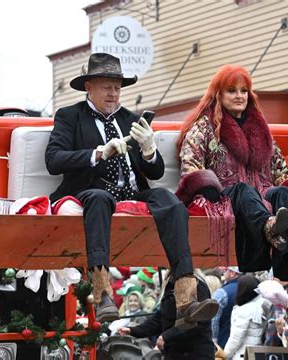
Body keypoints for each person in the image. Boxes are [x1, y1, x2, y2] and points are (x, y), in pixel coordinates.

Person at [45, 52, 218, 325]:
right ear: (89, 87)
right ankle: (102, 295)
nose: (114, 93)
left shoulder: (131, 119)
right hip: (92, 189)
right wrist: (99, 153)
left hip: (133, 191)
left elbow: (156, 172)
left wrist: (149, 151)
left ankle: (186, 296)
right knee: (99, 199)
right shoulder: (70, 116)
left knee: (170, 201)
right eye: (106, 87)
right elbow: (54, 160)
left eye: (117, 87)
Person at [176, 64, 288, 281]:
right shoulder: (203, 128)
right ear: (218, 94)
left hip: (261, 194)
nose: (239, 96)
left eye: (244, 90)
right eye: (232, 90)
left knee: (281, 194)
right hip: (223, 197)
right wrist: (206, 189)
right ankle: (269, 226)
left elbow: (280, 171)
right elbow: (190, 169)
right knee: (244, 190)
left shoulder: (261, 129)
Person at [117, 270, 216, 359]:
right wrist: (133, 330)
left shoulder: (197, 284)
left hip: (196, 353)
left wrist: (167, 336)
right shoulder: (171, 283)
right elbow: (160, 318)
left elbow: (199, 321)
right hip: (175, 353)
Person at [223, 273, 266, 360]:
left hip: (243, 354)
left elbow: (236, 338)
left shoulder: (243, 310)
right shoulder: (264, 305)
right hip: (259, 352)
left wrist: (225, 354)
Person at [211, 267, 241, 348]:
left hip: (223, 341)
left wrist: (214, 341)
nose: (223, 272)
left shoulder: (222, 293)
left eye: (225, 270)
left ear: (232, 273)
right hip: (244, 343)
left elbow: (213, 319)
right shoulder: (252, 288)